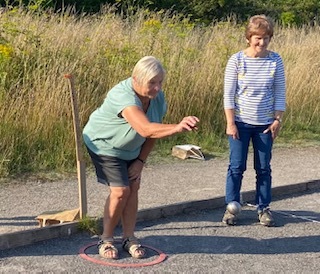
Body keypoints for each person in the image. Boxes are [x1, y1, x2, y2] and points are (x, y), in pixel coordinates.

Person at [83, 56, 199, 259]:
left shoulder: (157, 98)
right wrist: (178, 127)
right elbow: (145, 129)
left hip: (131, 149)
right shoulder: (123, 95)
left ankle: (129, 237)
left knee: (133, 186)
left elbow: (154, 132)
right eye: (152, 83)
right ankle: (106, 238)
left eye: (160, 82)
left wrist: (140, 161)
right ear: (136, 79)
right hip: (104, 144)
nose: (157, 88)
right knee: (120, 191)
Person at [222, 15, 286, 227]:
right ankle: (231, 207)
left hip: (265, 125)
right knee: (236, 166)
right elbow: (229, 94)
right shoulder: (237, 60)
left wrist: (277, 119)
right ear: (248, 37)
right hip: (240, 123)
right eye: (257, 37)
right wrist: (230, 123)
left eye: (266, 37)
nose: (262, 42)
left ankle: (263, 207)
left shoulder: (275, 60)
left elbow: (279, 92)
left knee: (264, 168)